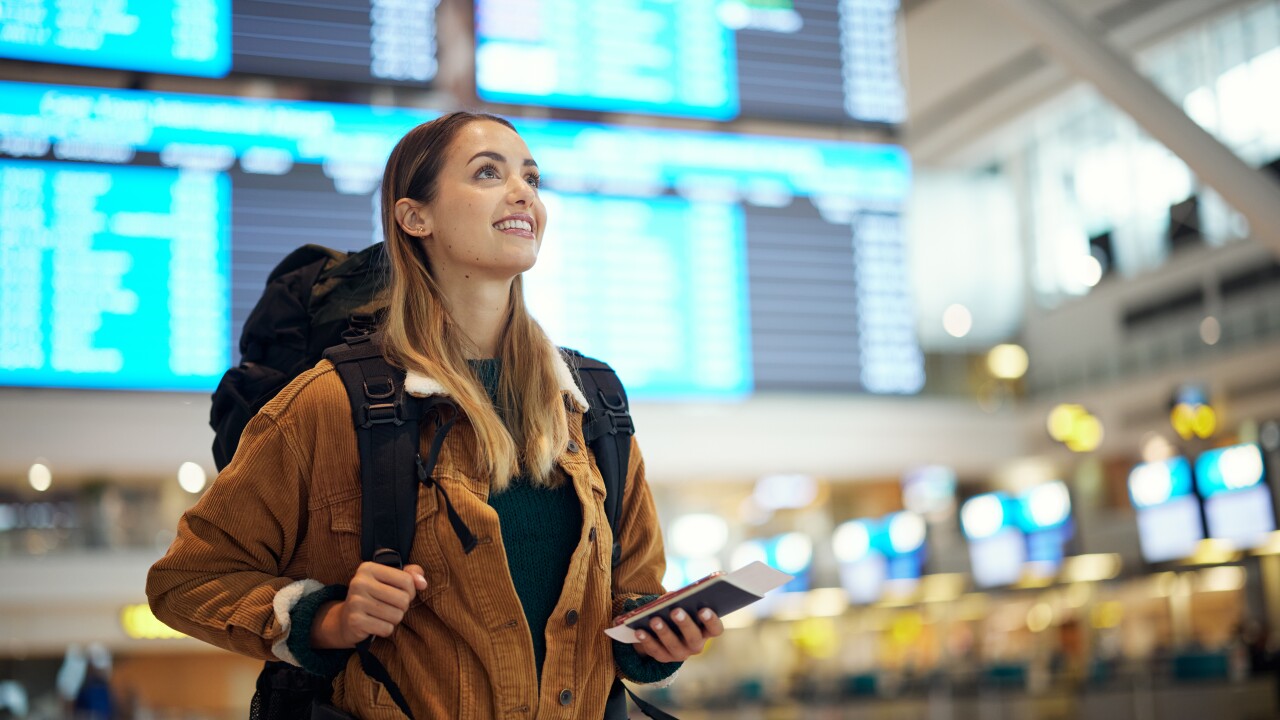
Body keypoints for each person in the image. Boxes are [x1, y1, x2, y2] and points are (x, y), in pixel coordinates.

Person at [147, 111, 723, 718]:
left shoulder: (590, 403)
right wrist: (328, 619)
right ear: (413, 216)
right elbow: (187, 580)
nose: (523, 190)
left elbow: (630, 598)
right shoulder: (332, 402)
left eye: (531, 176)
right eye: (487, 173)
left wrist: (653, 644)